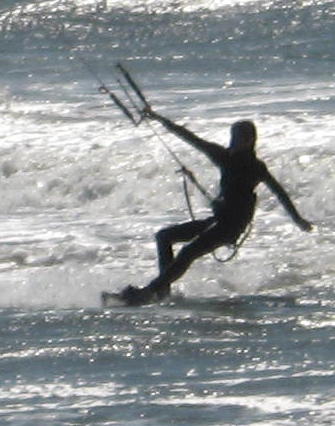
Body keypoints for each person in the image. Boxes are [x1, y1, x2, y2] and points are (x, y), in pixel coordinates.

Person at [108, 111, 313, 306]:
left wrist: (297, 219)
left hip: (232, 226)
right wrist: (160, 120)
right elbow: (192, 139)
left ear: (250, 140)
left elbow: (279, 192)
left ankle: (149, 292)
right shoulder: (225, 157)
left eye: (240, 139)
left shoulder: (255, 167)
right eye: (233, 137)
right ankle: (162, 290)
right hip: (218, 221)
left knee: (187, 252)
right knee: (164, 236)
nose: (234, 142)